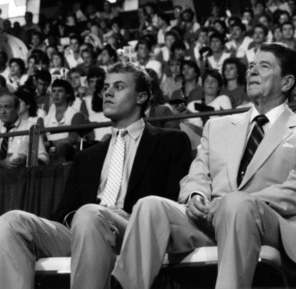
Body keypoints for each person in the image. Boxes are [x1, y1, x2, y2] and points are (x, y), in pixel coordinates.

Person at [113, 43, 296, 289]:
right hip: (209, 219)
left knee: (236, 202)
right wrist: (196, 196)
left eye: (264, 66)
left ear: (286, 82)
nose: (252, 71)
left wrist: (234, 201)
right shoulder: (217, 126)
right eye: (251, 66)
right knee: (149, 206)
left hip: (269, 223)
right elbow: (198, 174)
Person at [0, 62, 192, 289]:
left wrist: (117, 215)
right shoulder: (87, 156)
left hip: (134, 230)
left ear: (141, 97)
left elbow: (171, 205)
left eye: (119, 87)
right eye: (106, 87)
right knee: (10, 222)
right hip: (83, 229)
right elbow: (63, 213)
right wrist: (79, 219)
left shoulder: (170, 142)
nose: (107, 92)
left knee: (91, 213)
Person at [0, 91, 48, 169]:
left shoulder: (30, 127)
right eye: (0, 107)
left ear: (17, 108)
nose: (3, 112)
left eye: (7, 107)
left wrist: (27, 160)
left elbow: (43, 158)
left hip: (20, 175)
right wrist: (1, 163)